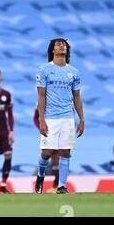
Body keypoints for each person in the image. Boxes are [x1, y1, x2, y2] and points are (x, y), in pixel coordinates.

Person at [35, 38, 85, 194]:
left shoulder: (74, 72)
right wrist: (41, 119)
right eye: (58, 44)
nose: (61, 46)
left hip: (67, 117)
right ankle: (40, 176)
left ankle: (62, 186)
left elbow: (77, 97)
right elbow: (41, 96)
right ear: (52, 50)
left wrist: (81, 119)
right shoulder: (44, 70)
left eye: (63, 44)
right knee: (46, 153)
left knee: (66, 152)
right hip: (50, 117)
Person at [33, 108, 59, 193]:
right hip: (47, 129)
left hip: (61, 127)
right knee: (46, 154)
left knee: (58, 156)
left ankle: (57, 186)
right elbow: (35, 117)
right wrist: (40, 126)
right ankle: (40, 177)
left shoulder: (66, 96)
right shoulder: (42, 97)